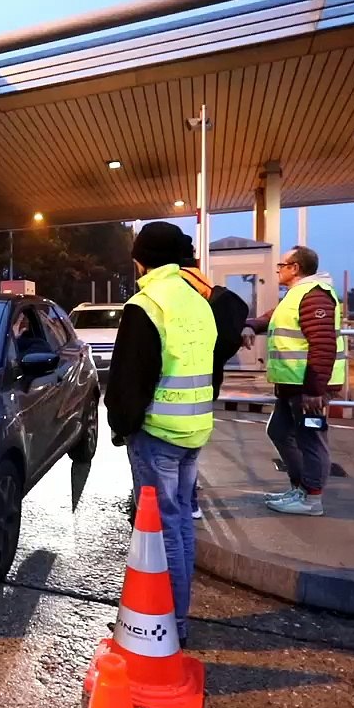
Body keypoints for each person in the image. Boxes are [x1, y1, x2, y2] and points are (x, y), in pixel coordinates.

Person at [105, 221, 217, 646]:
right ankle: (177, 619)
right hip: (193, 430)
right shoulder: (196, 300)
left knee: (159, 530)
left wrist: (122, 426)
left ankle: (165, 627)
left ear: (140, 260)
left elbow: (129, 379)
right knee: (180, 526)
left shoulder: (147, 302)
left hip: (157, 435)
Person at [241, 245, 344, 516]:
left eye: (281, 265)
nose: (278, 269)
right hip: (292, 385)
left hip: (307, 387)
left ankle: (311, 499)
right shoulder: (296, 295)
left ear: (295, 267)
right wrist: (251, 325)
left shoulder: (315, 296)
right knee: (278, 431)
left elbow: (322, 345)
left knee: (311, 439)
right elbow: (271, 318)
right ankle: (300, 488)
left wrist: (315, 390)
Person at [176, 247, 250, 520]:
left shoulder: (180, 286)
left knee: (173, 453)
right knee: (191, 450)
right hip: (207, 380)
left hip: (178, 384)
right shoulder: (204, 283)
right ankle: (190, 501)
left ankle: (187, 500)